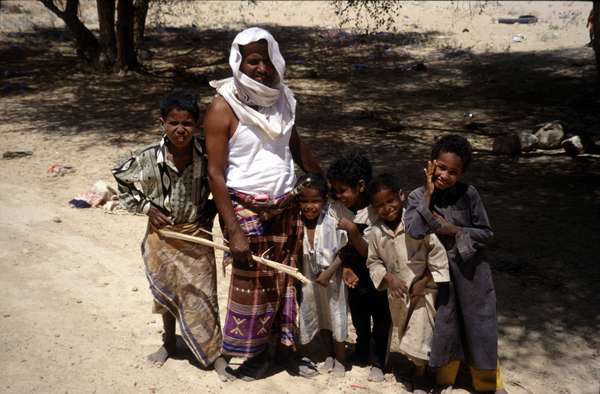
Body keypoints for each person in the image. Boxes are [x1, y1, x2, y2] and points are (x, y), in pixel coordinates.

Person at [203, 27, 321, 380]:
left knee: (286, 285)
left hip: (287, 205)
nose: (261, 68)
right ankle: (252, 355)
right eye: (253, 60)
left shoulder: (283, 99)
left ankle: (283, 351)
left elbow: (293, 145)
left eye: (267, 60)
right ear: (239, 61)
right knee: (252, 286)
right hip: (245, 209)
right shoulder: (222, 107)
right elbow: (215, 174)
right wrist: (233, 231)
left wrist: (322, 179)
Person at [112, 89, 233, 381]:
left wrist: (211, 212)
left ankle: (214, 353)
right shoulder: (148, 157)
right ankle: (169, 342)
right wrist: (145, 207)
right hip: (161, 236)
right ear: (162, 122)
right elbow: (121, 178)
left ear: (198, 124)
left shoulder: (207, 155)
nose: (181, 130)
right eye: (174, 123)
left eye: (188, 123)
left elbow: (223, 187)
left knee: (204, 294)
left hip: (196, 236)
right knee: (167, 293)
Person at [404, 134, 506, 393]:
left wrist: (455, 229)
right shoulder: (417, 196)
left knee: (479, 323)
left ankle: (487, 382)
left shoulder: (469, 194)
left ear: (461, 173)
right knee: (445, 323)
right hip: (438, 273)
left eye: (454, 171)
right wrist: (428, 195)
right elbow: (414, 231)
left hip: (472, 270)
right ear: (430, 164)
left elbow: (486, 233)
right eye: (441, 167)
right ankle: (444, 378)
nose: (445, 175)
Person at [366, 173, 449, 393]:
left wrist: (425, 280)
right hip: (397, 292)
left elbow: (438, 255)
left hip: (423, 289)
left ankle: (420, 376)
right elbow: (373, 262)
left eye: (390, 201)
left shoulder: (417, 224)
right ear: (374, 209)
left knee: (421, 328)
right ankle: (413, 366)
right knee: (405, 329)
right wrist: (388, 277)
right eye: (380, 205)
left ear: (401, 196)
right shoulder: (375, 233)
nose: (387, 208)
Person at [326, 151, 392, 382]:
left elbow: (368, 251)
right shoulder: (337, 208)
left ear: (361, 185)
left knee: (381, 318)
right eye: (335, 191)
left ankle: (378, 362)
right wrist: (344, 267)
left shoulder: (376, 210)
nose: (338, 195)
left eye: (343, 190)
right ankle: (362, 350)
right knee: (360, 316)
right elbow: (337, 245)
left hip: (378, 271)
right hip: (351, 270)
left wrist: (353, 230)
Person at [295, 173, 354, 378]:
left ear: (325, 200)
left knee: (335, 313)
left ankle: (341, 358)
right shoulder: (296, 222)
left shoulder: (331, 219)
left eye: (315, 201)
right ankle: (328, 353)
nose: (309, 206)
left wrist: (329, 272)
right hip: (308, 278)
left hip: (333, 279)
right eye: (304, 201)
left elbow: (345, 248)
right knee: (319, 314)